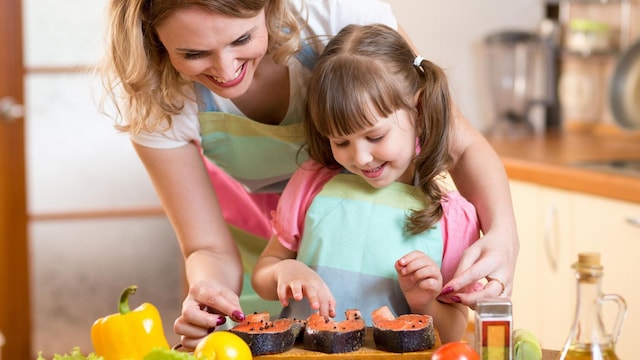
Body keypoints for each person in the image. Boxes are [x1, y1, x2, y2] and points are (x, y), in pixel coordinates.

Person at [100, 0, 518, 349]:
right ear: (153, 41)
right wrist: (210, 296)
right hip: (270, 252)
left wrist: (503, 234)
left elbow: (459, 142)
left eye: (243, 38)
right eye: (193, 54)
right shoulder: (155, 97)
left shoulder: (332, 11)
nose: (226, 70)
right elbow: (207, 247)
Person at [252, 23, 480, 343]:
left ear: (418, 107)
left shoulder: (451, 217)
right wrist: (281, 271)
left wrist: (425, 301)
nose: (360, 158)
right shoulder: (312, 182)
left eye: (375, 136)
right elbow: (265, 271)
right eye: (341, 141)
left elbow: (456, 329)